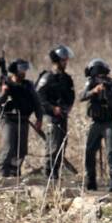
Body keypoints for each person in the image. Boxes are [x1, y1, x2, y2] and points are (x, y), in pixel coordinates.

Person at [0, 57, 42, 178]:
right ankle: (3, 175)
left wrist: (39, 118)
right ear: (15, 71)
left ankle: (15, 174)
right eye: (21, 70)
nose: (24, 73)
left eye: (25, 70)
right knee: (8, 148)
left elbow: (37, 102)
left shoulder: (28, 85)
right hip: (9, 120)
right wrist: (4, 92)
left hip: (24, 120)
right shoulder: (6, 83)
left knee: (21, 150)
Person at [80, 58, 112, 192]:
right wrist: (94, 91)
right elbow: (82, 96)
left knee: (111, 151)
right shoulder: (91, 83)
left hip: (108, 122)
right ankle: (91, 181)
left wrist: (106, 94)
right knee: (90, 151)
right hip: (95, 122)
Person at [36, 45, 75, 183]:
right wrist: (53, 109)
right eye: (64, 60)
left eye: (66, 60)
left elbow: (71, 95)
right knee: (52, 148)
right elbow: (39, 98)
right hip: (51, 118)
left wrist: (68, 107)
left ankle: (56, 175)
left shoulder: (66, 78)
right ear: (57, 61)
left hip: (63, 117)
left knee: (61, 147)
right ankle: (49, 177)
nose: (66, 62)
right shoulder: (47, 77)